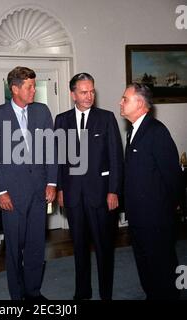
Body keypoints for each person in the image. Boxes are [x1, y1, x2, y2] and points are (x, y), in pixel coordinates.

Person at [0, 66, 57, 300]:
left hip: (39, 191)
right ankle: (16, 296)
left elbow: (52, 150)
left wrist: (52, 183)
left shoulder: (42, 111)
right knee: (14, 248)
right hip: (12, 193)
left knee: (37, 245)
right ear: (14, 88)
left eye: (34, 85)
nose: (34, 91)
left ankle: (33, 291)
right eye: (29, 86)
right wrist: (1, 191)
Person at [55, 72, 123, 300]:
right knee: (80, 248)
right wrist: (61, 189)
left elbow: (116, 158)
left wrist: (113, 190)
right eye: (84, 92)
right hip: (73, 196)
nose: (89, 96)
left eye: (92, 91)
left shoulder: (106, 118)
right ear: (73, 94)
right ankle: (82, 292)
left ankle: (106, 294)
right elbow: (59, 158)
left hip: (101, 195)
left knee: (104, 249)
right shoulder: (61, 120)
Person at [120, 83, 182, 300]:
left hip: (156, 217)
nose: (121, 102)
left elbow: (173, 176)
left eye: (125, 98)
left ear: (139, 103)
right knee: (145, 263)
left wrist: (166, 211)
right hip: (138, 215)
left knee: (162, 266)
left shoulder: (156, 132)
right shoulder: (133, 130)